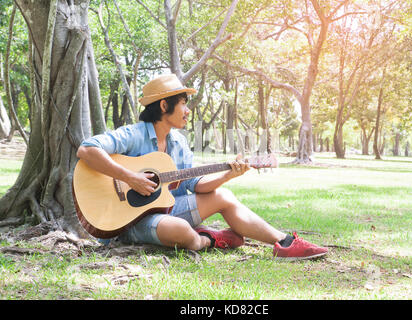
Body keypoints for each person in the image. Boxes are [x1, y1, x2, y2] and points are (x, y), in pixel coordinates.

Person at [76, 74, 328, 260]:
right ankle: (208, 239)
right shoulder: (133, 134)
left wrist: (228, 174)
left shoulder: (178, 142)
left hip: (167, 210)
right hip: (127, 223)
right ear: (164, 106)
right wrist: (130, 177)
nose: (187, 110)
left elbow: (195, 185)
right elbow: (86, 150)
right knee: (180, 230)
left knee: (223, 196)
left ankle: (284, 242)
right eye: (183, 103)